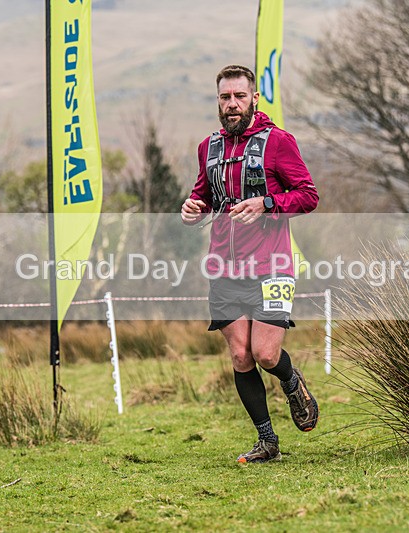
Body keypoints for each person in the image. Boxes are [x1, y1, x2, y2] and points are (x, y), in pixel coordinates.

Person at [181, 65, 320, 463]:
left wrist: (268, 203)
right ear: (218, 101)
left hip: (273, 264)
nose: (232, 104)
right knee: (240, 356)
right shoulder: (208, 147)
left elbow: (308, 196)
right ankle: (267, 442)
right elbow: (203, 196)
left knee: (265, 354)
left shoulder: (279, 142)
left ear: (254, 98)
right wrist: (194, 208)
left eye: (240, 96)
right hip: (224, 267)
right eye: (225, 97)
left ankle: (292, 382)